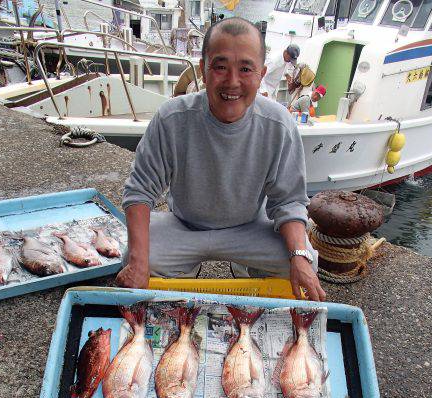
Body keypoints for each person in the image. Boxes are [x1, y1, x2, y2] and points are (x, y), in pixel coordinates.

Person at [116, 17, 326, 302]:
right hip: (184, 226)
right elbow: (140, 191)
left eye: (245, 69)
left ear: (261, 73)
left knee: (306, 260)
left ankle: (246, 268)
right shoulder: (171, 117)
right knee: (131, 255)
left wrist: (298, 257)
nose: (232, 82)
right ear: (203, 70)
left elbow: (288, 201)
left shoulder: (279, 123)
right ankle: (186, 271)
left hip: (250, 228)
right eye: (220, 66)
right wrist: (139, 264)